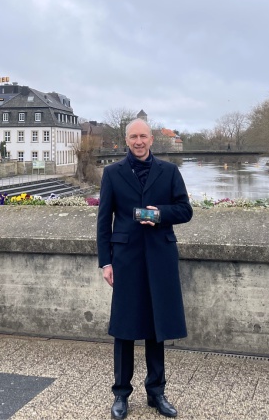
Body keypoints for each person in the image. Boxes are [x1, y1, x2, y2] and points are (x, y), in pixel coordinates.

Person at [97, 118, 193, 419]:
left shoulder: (169, 171)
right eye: (133, 137)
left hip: (160, 256)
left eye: (143, 136)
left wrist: (160, 213)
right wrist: (106, 261)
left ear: (151, 139)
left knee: (157, 326)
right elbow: (103, 222)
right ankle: (121, 394)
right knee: (124, 328)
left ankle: (157, 392)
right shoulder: (112, 173)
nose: (138, 141)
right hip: (126, 259)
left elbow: (185, 210)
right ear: (127, 140)